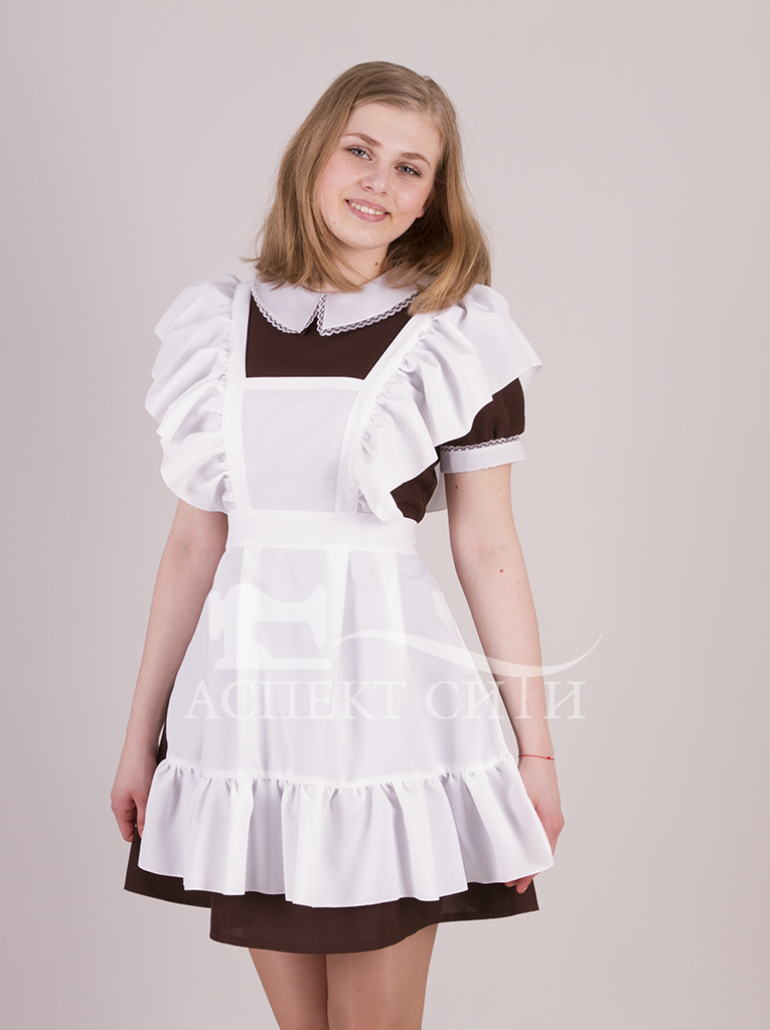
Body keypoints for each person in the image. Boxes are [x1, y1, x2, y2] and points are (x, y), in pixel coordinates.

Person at [111, 61, 564, 1030]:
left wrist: (536, 752)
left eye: (410, 167)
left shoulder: (457, 338)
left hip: (385, 716)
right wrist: (139, 740)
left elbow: (488, 550)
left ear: (431, 197)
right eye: (359, 150)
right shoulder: (214, 327)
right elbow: (193, 547)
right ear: (312, 155)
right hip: (245, 723)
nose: (377, 182)